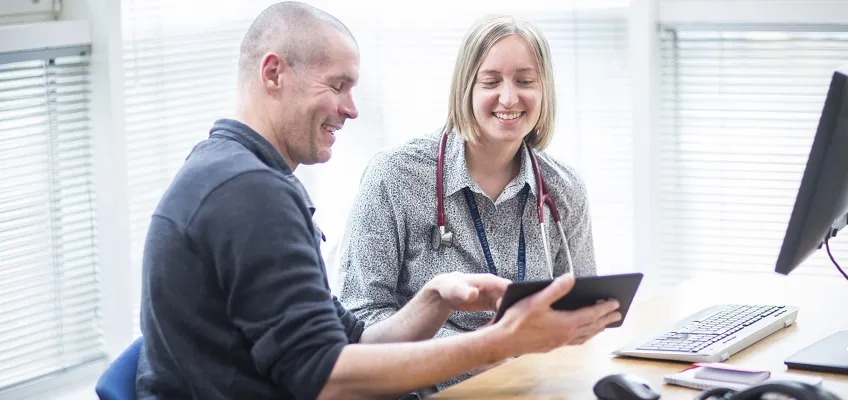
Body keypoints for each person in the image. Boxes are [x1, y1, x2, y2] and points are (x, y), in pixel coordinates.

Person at [136, 2, 622, 400]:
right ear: (273, 73)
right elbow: (328, 378)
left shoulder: (233, 173)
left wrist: (431, 299)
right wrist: (499, 342)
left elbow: (351, 340)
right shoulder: (248, 194)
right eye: (338, 85)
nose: (351, 108)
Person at [338, 14, 598, 390]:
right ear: (465, 88)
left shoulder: (563, 188)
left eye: (525, 81)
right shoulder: (395, 176)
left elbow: (581, 314)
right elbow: (359, 316)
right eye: (490, 82)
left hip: (533, 387)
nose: (509, 98)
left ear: (545, 91)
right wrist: (476, 353)